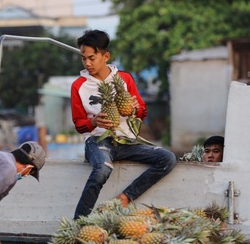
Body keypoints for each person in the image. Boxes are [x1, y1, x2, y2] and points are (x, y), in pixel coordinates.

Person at [71, 29, 176, 218]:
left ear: (106, 56)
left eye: (92, 58)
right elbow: (79, 124)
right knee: (103, 168)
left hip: (127, 141)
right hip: (97, 142)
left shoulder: (125, 79)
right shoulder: (78, 86)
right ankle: (79, 220)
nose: (87, 63)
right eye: (83, 58)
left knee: (167, 158)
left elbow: (142, 111)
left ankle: (126, 197)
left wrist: (135, 109)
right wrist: (93, 121)